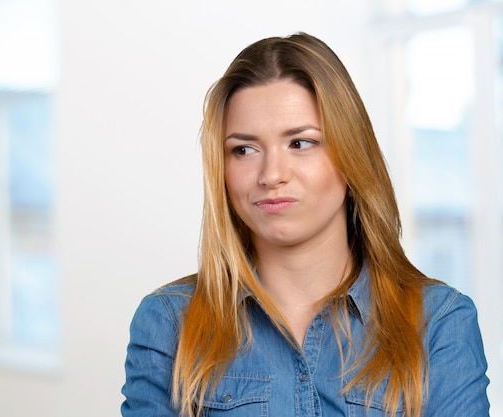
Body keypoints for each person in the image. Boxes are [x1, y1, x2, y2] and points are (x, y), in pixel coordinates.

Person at [121, 32, 490, 416]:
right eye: (243, 149)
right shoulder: (169, 323)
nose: (271, 174)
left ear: (351, 153)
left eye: (300, 143)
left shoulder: (439, 323)